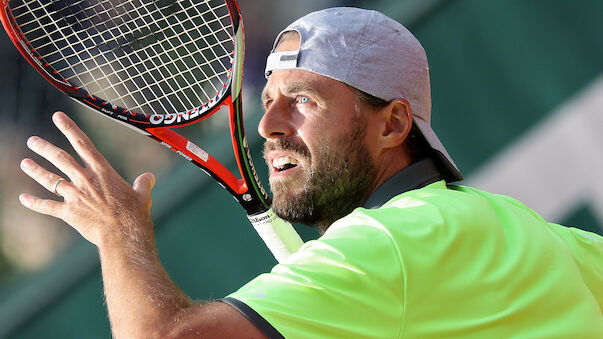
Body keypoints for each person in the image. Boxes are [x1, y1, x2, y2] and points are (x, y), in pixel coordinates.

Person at [18, 7, 602, 339]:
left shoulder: (388, 243)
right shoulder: (527, 231)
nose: (267, 123)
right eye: (268, 98)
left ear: (394, 123)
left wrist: (120, 232)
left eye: (304, 100)